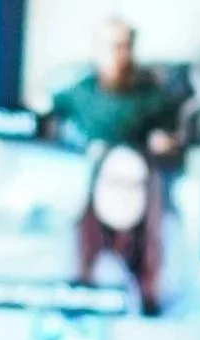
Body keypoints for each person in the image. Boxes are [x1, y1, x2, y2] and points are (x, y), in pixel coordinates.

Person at [44, 16, 187, 153]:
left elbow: (171, 136)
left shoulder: (153, 98)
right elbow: (44, 111)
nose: (118, 54)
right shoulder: (78, 92)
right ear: (96, 50)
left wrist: (163, 142)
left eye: (125, 46)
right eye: (110, 46)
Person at [76, 144, 163, 315]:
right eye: (115, 182)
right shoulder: (68, 246)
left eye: (134, 184)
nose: (123, 194)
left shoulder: (169, 247)